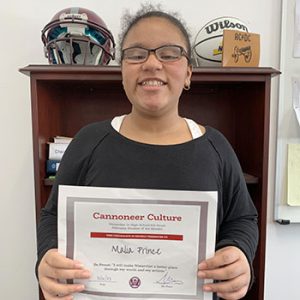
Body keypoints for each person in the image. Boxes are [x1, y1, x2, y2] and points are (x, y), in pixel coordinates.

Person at [36, 4, 258, 300]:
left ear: (189, 72)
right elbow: (53, 215)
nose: (152, 64)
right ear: (122, 71)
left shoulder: (215, 147)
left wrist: (240, 253)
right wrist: (47, 258)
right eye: (137, 54)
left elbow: (242, 218)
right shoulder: (88, 142)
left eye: (169, 53)